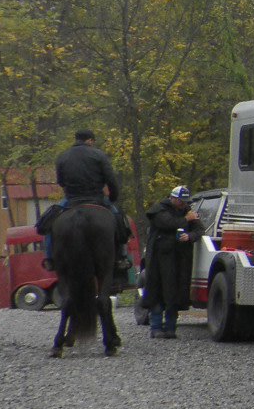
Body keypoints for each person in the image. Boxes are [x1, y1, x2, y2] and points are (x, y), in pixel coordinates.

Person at [46, 129, 131, 274]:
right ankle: (122, 256)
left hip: (71, 199)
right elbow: (110, 179)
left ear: (76, 139)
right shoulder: (99, 155)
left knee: (48, 223)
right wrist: (112, 198)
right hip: (96, 197)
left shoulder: (62, 156)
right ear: (90, 140)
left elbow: (60, 181)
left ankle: (49, 258)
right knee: (119, 222)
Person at [142, 186, 201, 339]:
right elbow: (167, 223)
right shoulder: (159, 209)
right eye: (181, 201)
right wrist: (186, 220)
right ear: (172, 198)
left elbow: (200, 229)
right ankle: (155, 327)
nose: (183, 204)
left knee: (176, 293)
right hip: (158, 260)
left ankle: (170, 327)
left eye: (185, 202)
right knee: (157, 292)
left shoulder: (189, 211)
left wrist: (190, 236)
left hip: (180, 261)